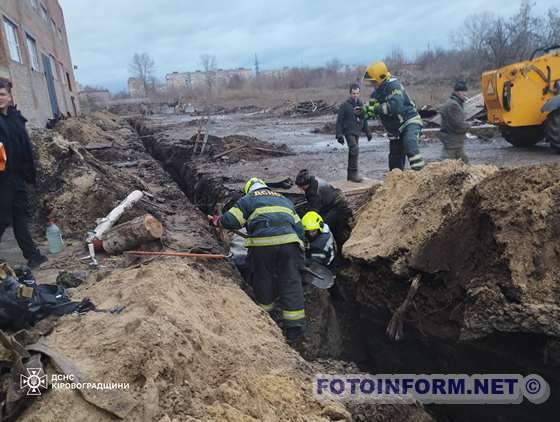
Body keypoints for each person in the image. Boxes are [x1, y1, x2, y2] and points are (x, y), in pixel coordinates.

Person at [208, 177, 306, 341]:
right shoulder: (284, 200)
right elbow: (299, 228)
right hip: (290, 244)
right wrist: (299, 253)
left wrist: (219, 220)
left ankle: (266, 318)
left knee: (263, 278)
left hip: (263, 246)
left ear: (249, 189)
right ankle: (295, 328)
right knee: (291, 282)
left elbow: (232, 220)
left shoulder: (247, 200)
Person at [0, 78, 47, 268]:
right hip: (2, 179)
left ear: (10, 96)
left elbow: (23, 145)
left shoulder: (15, 118)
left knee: (20, 216)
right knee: (2, 218)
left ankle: (33, 255)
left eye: (2, 94)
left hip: (18, 176)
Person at [360, 61, 425, 171]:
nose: (372, 84)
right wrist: (363, 112)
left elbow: (395, 107)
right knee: (394, 161)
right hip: (395, 130)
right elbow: (371, 111)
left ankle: (421, 175)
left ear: (381, 78)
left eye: (374, 81)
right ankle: (396, 183)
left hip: (409, 122)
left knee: (409, 143)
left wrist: (374, 108)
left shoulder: (394, 86)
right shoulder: (375, 94)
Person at [295, 169, 353, 252]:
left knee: (325, 226)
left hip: (338, 205)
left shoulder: (313, 192)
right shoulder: (313, 179)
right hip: (331, 200)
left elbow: (313, 212)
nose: (300, 189)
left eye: (301, 187)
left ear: (306, 184)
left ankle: (333, 249)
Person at [335, 83, 372, 182]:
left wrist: (368, 132)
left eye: (357, 93)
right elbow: (339, 121)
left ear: (359, 94)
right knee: (354, 148)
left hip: (357, 131)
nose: (355, 95)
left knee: (354, 152)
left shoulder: (361, 105)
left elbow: (364, 119)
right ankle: (353, 174)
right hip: (348, 131)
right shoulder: (345, 105)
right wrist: (339, 135)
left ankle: (350, 175)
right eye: (353, 93)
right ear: (350, 93)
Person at [439, 80, 470, 163]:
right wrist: (468, 126)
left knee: (464, 164)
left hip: (455, 142)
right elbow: (458, 125)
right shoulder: (453, 105)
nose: (465, 94)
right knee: (446, 166)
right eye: (462, 91)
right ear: (456, 92)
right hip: (452, 143)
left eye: (465, 91)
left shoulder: (455, 103)